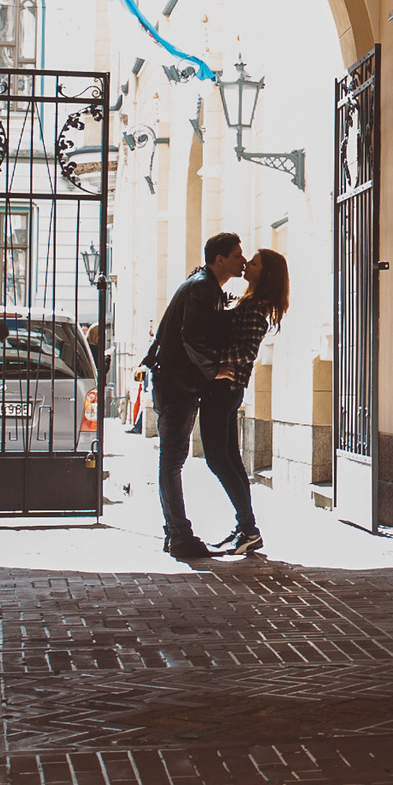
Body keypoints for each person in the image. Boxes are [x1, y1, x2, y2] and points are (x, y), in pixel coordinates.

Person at [146, 231, 252, 560]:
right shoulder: (203, 288)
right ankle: (179, 534)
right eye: (236, 255)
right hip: (175, 383)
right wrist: (215, 368)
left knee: (172, 460)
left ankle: (174, 532)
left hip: (176, 382)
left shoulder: (207, 286)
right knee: (172, 460)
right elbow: (191, 336)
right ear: (219, 259)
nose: (242, 260)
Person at [199, 247, 289, 556]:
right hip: (228, 390)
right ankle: (245, 527)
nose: (247, 265)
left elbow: (247, 352)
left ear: (266, 274)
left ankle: (249, 528)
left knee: (217, 458)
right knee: (231, 460)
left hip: (225, 388)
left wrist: (212, 362)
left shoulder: (254, 307)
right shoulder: (248, 302)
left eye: (253, 263)